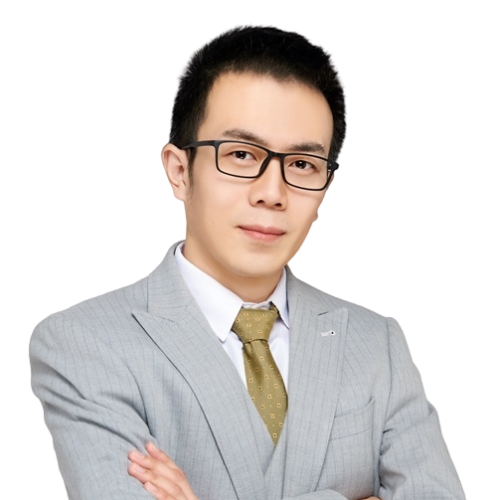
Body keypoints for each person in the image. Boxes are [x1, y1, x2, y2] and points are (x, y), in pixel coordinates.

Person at [28, 25, 465, 500]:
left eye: (302, 164)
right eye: (240, 154)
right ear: (178, 171)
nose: (272, 193)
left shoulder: (377, 342)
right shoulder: (84, 342)